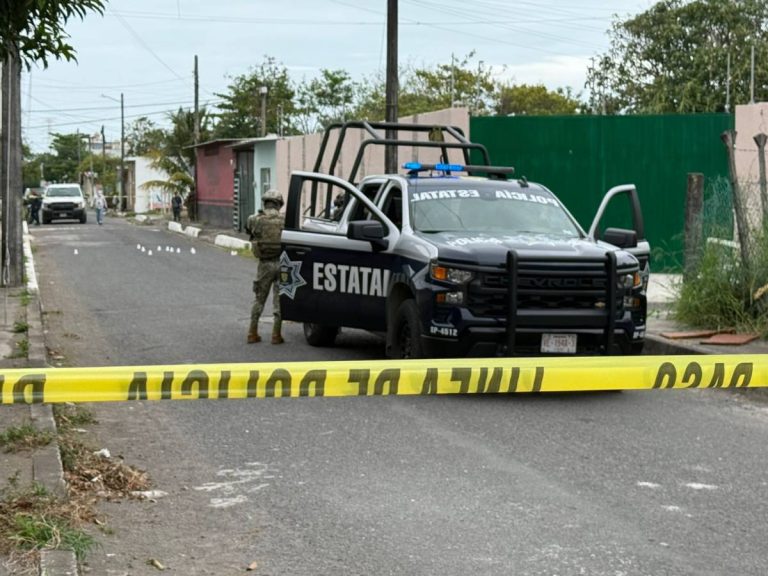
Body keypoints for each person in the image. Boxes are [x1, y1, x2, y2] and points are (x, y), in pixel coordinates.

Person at [246, 189, 285, 344]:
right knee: (279, 300)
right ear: (279, 204)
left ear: (265, 202)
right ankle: (276, 334)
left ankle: (252, 332)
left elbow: (249, 231)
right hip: (282, 263)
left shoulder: (254, 219)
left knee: (259, 299)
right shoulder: (285, 220)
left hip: (264, 265)